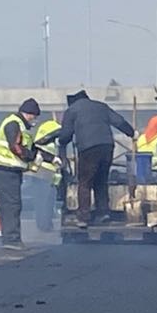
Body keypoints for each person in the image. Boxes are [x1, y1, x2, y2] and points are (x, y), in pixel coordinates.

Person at [56, 89, 135, 227]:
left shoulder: (72, 110)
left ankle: (83, 217)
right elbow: (119, 121)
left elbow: (65, 134)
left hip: (88, 149)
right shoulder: (101, 106)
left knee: (85, 182)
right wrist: (132, 133)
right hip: (107, 146)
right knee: (101, 181)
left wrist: (61, 143)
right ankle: (103, 213)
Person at [0, 98, 41, 248]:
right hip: (6, 170)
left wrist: (48, 158)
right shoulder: (14, 124)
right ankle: (12, 240)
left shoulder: (19, 126)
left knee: (10, 204)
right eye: (34, 116)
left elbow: (29, 147)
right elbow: (15, 147)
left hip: (9, 171)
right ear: (29, 114)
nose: (35, 120)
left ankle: (10, 238)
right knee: (11, 204)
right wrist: (31, 157)